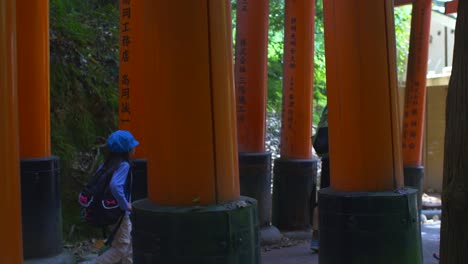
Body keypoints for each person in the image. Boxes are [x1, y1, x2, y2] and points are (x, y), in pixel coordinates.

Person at [81, 130, 139, 264]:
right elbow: (115, 186)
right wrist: (126, 205)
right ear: (127, 150)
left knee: (128, 242)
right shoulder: (124, 165)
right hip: (119, 212)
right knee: (121, 247)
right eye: (133, 146)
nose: (135, 148)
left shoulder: (106, 165)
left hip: (109, 210)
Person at [311, 105, 329, 252]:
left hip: (327, 157)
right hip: (343, 158)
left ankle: (316, 239)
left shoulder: (327, 109)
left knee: (322, 198)